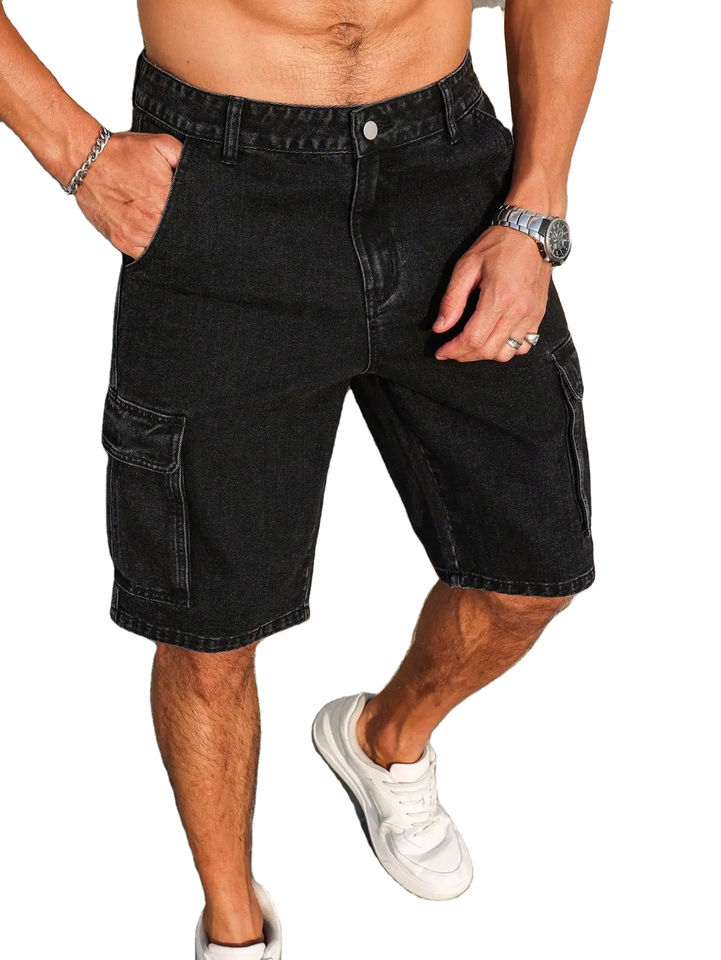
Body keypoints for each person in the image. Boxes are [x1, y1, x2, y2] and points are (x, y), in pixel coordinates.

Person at [0, 0, 611, 956]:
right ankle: (234, 926)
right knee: (208, 632)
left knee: (531, 575)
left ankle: (383, 740)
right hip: (221, 185)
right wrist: (78, 155)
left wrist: (533, 210)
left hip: (446, 176)